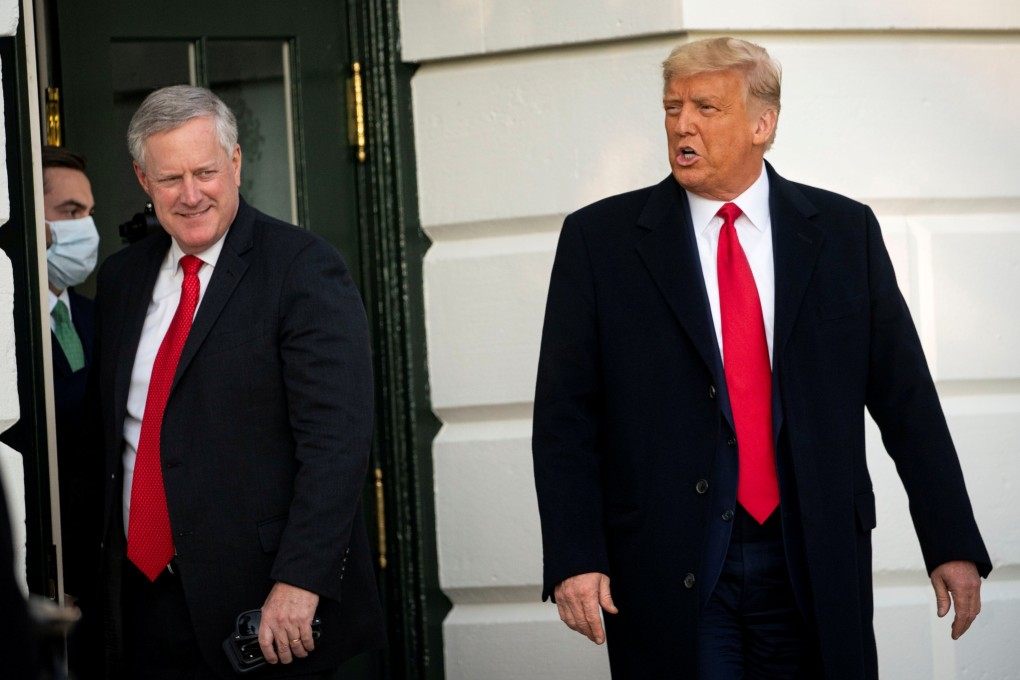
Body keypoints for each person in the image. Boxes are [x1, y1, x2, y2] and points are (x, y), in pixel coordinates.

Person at [532, 37, 991, 679]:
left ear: (762, 123)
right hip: (670, 560)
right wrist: (576, 554)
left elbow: (905, 396)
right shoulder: (599, 241)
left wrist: (951, 542)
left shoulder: (841, 232)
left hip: (813, 551)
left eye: (706, 108)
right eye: (672, 107)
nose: (682, 124)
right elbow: (564, 417)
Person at [88, 85, 385, 677]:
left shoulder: (301, 267)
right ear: (143, 181)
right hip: (139, 602)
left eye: (206, 172)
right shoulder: (121, 280)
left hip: (264, 610)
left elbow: (337, 442)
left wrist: (301, 580)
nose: (191, 194)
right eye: (170, 178)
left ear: (237, 163)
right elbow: (110, 441)